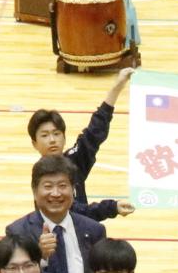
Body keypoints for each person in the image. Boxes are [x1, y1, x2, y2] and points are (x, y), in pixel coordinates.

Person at [27, 70, 136, 221]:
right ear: (34, 143)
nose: (52, 140)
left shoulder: (73, 160)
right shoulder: (42, 176)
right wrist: (112, 207)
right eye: (45, 135)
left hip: (83, 231)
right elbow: (75, 213)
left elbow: (94, 132)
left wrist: (118, 85)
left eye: (57, 133)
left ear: (64, 137)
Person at [8, 154, 109, 273]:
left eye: (62, 186)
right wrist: (40, 256)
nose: (56, 193)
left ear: (73, 190)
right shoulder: (18, 231)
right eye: (48, 186)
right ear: (34, 191)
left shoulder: (94, 230)